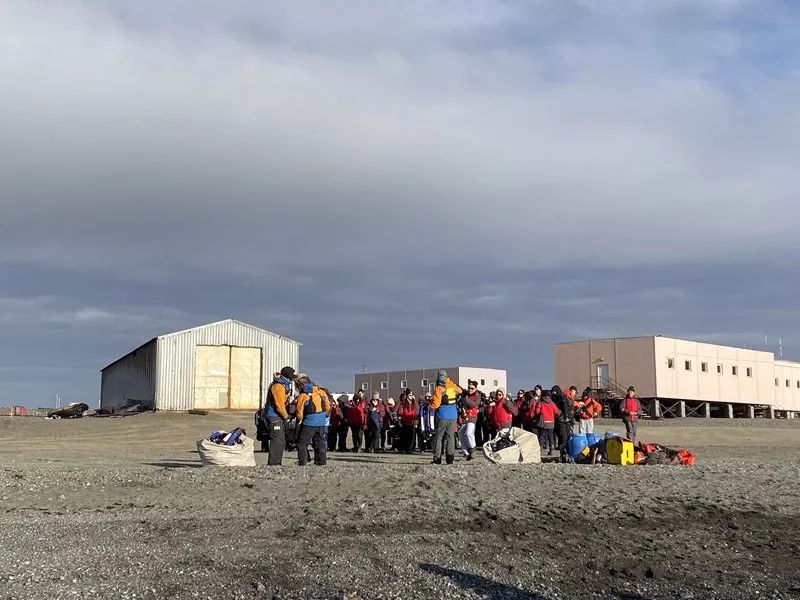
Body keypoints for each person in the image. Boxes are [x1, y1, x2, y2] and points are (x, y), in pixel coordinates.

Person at [294, 375, 331, 466]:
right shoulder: (321, 392)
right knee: (319, 442)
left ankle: (303, 462)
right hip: (321, 422)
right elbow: (327, 406)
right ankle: (321, 461)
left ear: (300, 384)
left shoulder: (303, 395)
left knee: (302, 443)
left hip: (309, 422)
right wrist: (325, 416)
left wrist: (299, 420)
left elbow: (299, 411)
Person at [262, 366, 295, 466]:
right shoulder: (278, 386)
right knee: (277, 439)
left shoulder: (282, 385)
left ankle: (276, 462)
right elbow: (279, 404)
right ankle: (274, 463)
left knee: (280, 439)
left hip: (276, 415)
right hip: (274, 415)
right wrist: (286, 416)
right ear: (288, 375)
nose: (293, 377)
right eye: (292, 374)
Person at [429, 369, 463, 464]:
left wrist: (429, 406)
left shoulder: (439, 388)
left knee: (439, 437)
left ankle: (437, 458)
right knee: (450, 437)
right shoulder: (453, 386)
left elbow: (436, 404)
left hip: (442, 415)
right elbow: (460, 391)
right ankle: (450, 458)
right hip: (453, 416)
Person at [458, 380, 482, 461]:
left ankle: (472, 449)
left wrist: (465, 398)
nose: (470, 390)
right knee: (461, 434)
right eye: (469, 388)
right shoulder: (465, 394)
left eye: (472, 388)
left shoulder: (477, 396)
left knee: (468, 433)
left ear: (476, 388)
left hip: (472, 417)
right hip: (464, 417)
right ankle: (466, 452)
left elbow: (473, 405)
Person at [533, 390, 560, 455]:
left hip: (543, 422)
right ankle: (551, 449)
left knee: (542, 435)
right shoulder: (552, 403)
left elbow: (537, 412)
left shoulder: (540, 403)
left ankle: (541, 449)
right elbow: (557, 412)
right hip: (551, 422)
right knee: (551, 436)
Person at [551, 385, 573, 453]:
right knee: (560, 433)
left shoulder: (562, 398)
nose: (553, 393)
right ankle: (562, 447)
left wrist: (566, 417)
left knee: (563, 434)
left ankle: (564, 447)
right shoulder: (555, 397)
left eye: (554, 391)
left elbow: (565, 407)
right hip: (560, 418)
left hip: (563, 419)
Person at [396, 389, 418, 454]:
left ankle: (409, 450)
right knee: (404, 437)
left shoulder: (413, 403)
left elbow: (417, 410)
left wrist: (414, 400)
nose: (411, 396)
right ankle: (403, 449)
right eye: (410, 395)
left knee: (411, 437)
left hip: (412, 422)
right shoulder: (402, 403)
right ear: (407, 395)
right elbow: (397, 412)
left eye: (412, 395)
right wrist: (398, 420)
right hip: (404, 422)